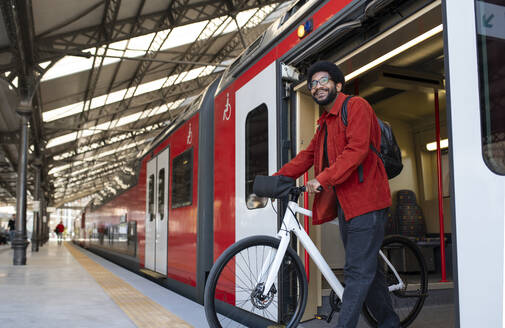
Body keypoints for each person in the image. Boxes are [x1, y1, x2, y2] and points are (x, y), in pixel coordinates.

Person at [273, 61, 399, 328]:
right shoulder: (324, 123)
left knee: (355, 272)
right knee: (368, 270)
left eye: (323, 81)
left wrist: (322, 179)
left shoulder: (355, 107)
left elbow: (357, 150)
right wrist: (277, 179)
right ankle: (389, 322)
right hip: (347, 205)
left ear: (338, 85)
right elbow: (307, 156)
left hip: (368, 201)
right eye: (313, 83)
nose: (317, 86)